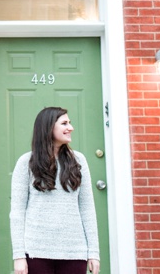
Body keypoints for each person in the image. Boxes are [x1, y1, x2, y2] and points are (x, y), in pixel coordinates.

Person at [9, 107, 100, 274]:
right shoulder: (26, 163)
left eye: (70, 123)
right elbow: (17, 212)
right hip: (36, 252)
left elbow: (87, 208)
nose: (70, 128)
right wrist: (19, 256)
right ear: (49, 127)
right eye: (64, 123)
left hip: (74, 252)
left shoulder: (78, 161)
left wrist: (93, 252)